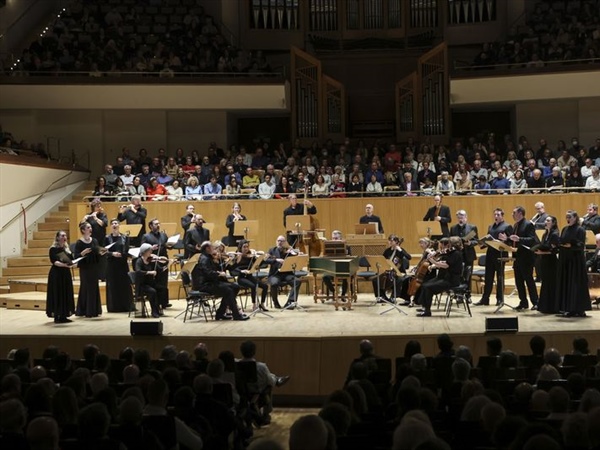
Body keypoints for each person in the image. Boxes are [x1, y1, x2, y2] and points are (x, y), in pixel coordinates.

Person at [191, 241, 248, 321]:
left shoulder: (209, 257)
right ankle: (236, 315)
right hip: (205, 285)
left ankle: (220, 314)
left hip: (212, 282)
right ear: (207, 248)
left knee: (235, 287)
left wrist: (233, 262)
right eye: (212, 247)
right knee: (228, 290)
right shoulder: (204, 259)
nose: (214, 249)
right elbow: (208, 273)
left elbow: (221, 268)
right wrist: (218, 274)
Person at [239, 340, 290, 425]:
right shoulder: (261, 367)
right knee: (270, 384)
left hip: (243, 391)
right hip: (257, 391)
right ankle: (266, 414)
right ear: (254, 352)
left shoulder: (237, 364)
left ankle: (276, 378)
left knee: (268, 378)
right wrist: (274, 381)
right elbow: (270, 382)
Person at [499, 206, 539, 311]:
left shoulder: (528, 224)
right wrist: (506, 239)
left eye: (514, 212)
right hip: (517, 257)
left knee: (529, 281)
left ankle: (535, 302)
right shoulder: (516, 225)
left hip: (526, 257)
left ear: (520, 213)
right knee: (519, 281)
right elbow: (514, 241)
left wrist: (519, 239)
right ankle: (523, 302)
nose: (512, 214)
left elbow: (532, 239)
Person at [415, 237, 463, 317]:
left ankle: (427, 311)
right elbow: (446, 261)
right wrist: (437, 261)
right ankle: (424, 307)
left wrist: (433, 261)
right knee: (424, 285)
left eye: (449, 244)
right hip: (445, 278)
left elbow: (446, 265)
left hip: (451, 280)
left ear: (451, 244)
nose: (448, 246)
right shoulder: (452, 253)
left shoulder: (456, 254)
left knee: (427, 287)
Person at [474, 208, 513, 306]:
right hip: (490, 254)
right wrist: (482, 244)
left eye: (498, 215)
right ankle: (485, 299)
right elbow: (489, 240)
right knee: (488, 278)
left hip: (500, 254)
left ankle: (499, 299)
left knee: (500, 278)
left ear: (502, 216)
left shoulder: (507, 226)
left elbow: (511, 241)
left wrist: (503, 240)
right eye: (495, 214)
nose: (496, 216)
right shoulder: (491, 226)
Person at [556, 210, 591, 317]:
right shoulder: (564, 229)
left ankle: (579, 308)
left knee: (576, 284)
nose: (568, 219)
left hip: (576, 262)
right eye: (566, 217)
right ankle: (568, 307)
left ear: (575, 218)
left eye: (570, 217)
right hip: (566, 260)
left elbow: (581, 245)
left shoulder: (580, 230)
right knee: (568, 284)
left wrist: (571, 246)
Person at [229, 240, 269, 311]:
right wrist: (241, 271)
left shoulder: (251, 256)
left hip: (250, 276)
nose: (246, 249)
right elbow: (233, 268)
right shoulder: (238, 256)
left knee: (265, 286)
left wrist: (263, 260)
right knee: (253, 286)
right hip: (241, 278)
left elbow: (257, 265)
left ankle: (262, 304)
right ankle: (254, 305)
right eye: (244, 247)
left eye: (247, 247)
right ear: (241, 247)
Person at [46, 230, 76, 323]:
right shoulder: (53, 249)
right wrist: (65, 265)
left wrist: (73, 264)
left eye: (65, 236)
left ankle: (64, 315)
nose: (64, 237)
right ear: (57, 237)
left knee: (65, 293)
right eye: (62, 236)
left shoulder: (67, 249)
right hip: (56, 274)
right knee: (57, 293)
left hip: (65, 274)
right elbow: (54, 261)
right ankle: (57, 315)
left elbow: (71, 260)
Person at [141, 218, 171, 310]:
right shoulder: (146, 236)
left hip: (163, 259)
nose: (158, 225)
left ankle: (164, 302)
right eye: (155, 224)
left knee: (164, 281)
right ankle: (157, 302)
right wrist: (151, 248)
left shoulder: (163, 235)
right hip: (153, 261)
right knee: (157, 282)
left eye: (158, 224)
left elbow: (167, 246)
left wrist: (170, 245)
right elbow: (142, 249)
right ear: (150, 226)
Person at [104, 219, 133, 312]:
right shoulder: (107, 238)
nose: (114, 225)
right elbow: (104, 252)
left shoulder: (125, 237)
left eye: (116, 223)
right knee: (113, 285)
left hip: (122, 264)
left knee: (124, 285)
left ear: (119, 225)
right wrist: (112, 254)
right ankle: (114, 307)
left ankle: (126, 306)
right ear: (110, 226)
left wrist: (125, 254)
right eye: (112, 223)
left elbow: (127, 251)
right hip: (112, 265)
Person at [74, 222, 102, 318]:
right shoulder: (79, 242)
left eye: (90, 227)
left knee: (94, 287)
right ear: (83, 230)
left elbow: (97, 251)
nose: (91, 228)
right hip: (85, 268)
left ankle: (94, 310)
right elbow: (76, 256)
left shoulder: (94, 240)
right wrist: (82, 253)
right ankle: (85, 310)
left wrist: (101, 252)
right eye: (88, 227)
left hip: (93, 266)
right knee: (86, 287)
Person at [372, 234, 411, 303]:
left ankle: (393, 297)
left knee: (398, 280)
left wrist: (400, 250)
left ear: (396, 241)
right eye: (389, 240)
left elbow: (409, 257)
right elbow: (382, 259)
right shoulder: (387, 251)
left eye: (391, 240)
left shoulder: (400, 250)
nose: (389, 242)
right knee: (375, 279)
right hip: (388, 271)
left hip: (398, 271)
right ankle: (382, 296)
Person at [265, 235, 301, 309]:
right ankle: (275, 302)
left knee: (297, 281)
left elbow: (297, 257)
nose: (280, 242)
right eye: (278, 241)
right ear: (276, 242)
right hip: (275, 274)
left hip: (286, 274)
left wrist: (292, 250)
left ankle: (290, 302)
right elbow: (265, 260)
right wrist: (276, 260)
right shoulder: (272, 250)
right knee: (274, 283)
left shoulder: (289, 251)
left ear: (285, 242)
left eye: (282, 241)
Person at [535, 216, 560, 314]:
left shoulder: (555, 234)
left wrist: (543, 253)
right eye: (546, 220)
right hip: (544, 261)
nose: (546, 222)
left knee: (551, 284)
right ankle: (545, 306)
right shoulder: (545, 234)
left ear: (553, 223)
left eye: (548, 221)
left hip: (552, 262)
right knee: (545, 283)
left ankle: (552, 307)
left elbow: (555, 250)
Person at [134, 244, 164, 319]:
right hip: (142, 285)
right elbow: (138, 271)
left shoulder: (151, 260)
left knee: (163, 289)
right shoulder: (139, 261)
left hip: (150, 283)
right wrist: (149, 272)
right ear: (145, 252)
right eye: (149, 250)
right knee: (152, 291)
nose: (151, 252)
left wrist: (167, 264)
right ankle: (154, 311)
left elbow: (159, 269)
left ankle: (158, 309)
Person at [81, 199, 108, 280]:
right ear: (93, 207)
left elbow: (104, 224)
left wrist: (95, 218)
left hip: (102, 239)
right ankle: (94, 276)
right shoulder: (88, 216)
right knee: (93, 258)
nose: (99, 207)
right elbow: (81, 225)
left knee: (102, 258)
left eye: (100, 206)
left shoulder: (103, 215)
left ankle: (103, 276)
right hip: (92, 240)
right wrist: (84, 218)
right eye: (97, 206)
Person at [322, 230, 351, 299]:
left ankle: (343, 294)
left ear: (340, 238)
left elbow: (350, 257)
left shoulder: (347, 246)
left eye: (336, 238)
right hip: (332, 269)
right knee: (325, 277)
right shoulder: (328, 246)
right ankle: (334, 292)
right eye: (333, 238)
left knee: (346, 277)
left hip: (343, 268)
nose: (334, 239)